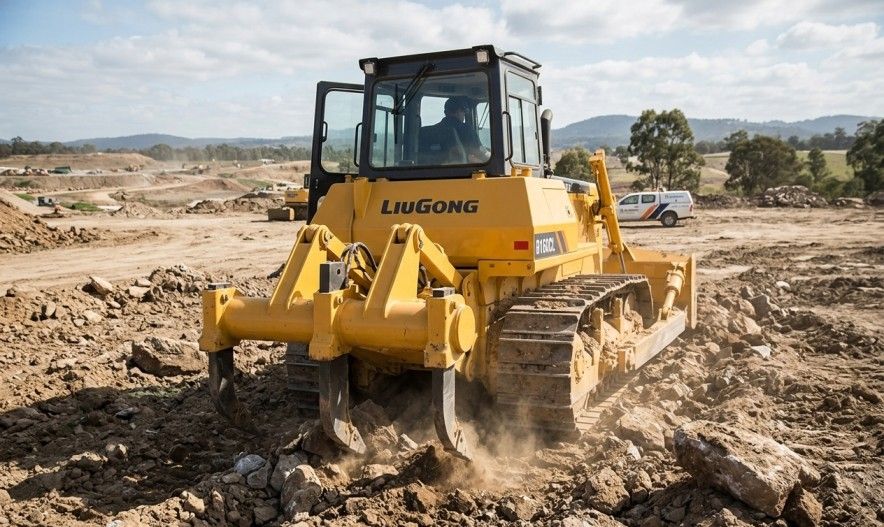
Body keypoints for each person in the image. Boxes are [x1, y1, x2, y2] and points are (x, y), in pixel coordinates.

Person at [433, 97, 489, 163]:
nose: (464, 114)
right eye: (464, 111)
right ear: (460, 111)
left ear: (445, 112)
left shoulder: (428, 131)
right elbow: (479, 152)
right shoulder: (467, 129)